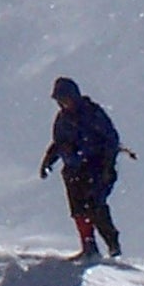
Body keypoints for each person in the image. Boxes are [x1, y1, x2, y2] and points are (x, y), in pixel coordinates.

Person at [39, 76, 124, 260]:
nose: (62, 103)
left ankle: (113, 245)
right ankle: (89, 247)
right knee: (78, 209)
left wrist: (107, 166)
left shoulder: (92, 114)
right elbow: (59, 143)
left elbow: (111, 140)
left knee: (95, 205)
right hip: (73, 171)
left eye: (65, 98)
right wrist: (48, 161)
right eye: (59, 100)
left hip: (96, 168)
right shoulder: (62, 119)